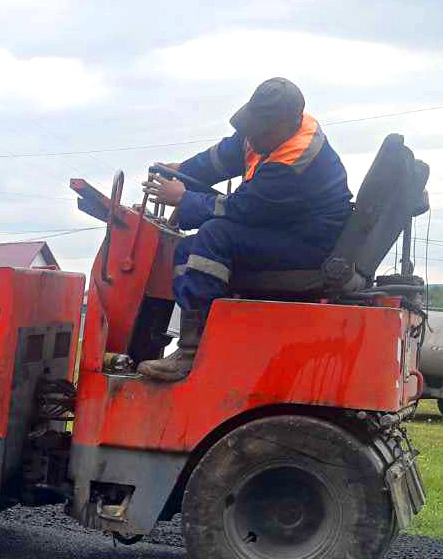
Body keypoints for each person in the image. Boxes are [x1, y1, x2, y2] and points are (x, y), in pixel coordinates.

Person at [136, 78, 354, 382]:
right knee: (188, 250)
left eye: (259, 130)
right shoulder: (265, 133)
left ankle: (190, 352)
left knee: (215, 235)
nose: (251, 137)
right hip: (286, 228)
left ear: (286, 123)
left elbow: (240, 209)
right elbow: (220, 158)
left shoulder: (295, 162)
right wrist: (181, 171)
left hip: (308, 245)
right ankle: (199, 335)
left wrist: (183, 199)